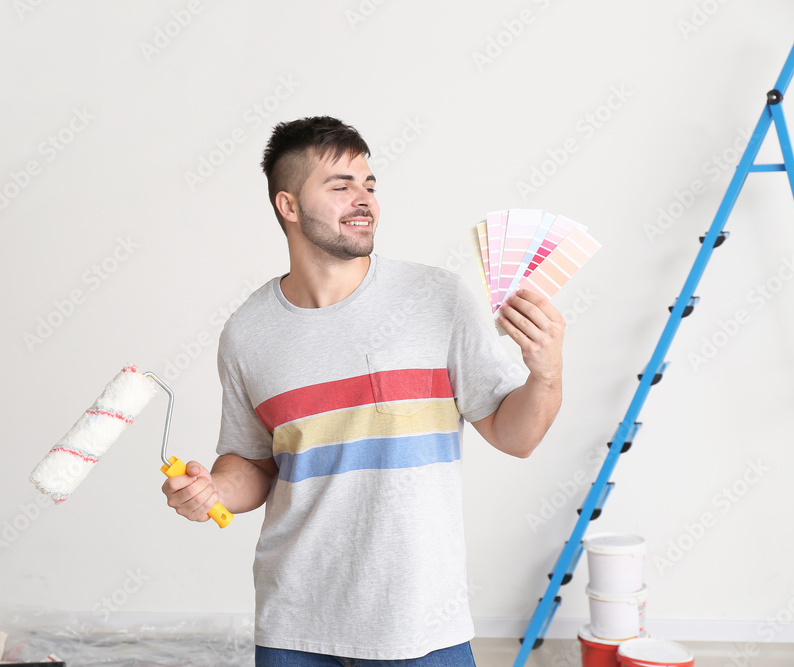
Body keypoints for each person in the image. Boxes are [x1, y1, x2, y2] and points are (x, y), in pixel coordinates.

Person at [161, 116, 565, 665]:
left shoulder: (437, 299)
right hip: (295, 626)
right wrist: (210, 492)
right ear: (288, 206)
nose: (364, 200)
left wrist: (544, 372)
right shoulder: (248, 333)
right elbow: (253, 464)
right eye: (340, 185)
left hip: (421, 624)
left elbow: (516, 437)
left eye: (369, 184)